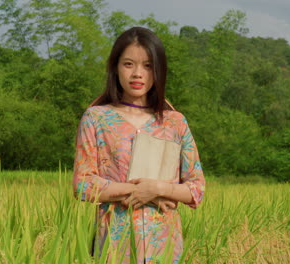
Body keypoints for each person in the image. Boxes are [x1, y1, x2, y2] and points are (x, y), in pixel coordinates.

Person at [72, 27, 205, 263]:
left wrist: (159, 189)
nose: (137, 74)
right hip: (114, 245)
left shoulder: (175, 122)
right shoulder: (96, 118)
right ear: (115, 67)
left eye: (147, 66)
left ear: (158, 71)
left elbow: (196, 189)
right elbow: (83, 185)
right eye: (128, 64)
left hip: (164, 247)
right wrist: (136, 191)